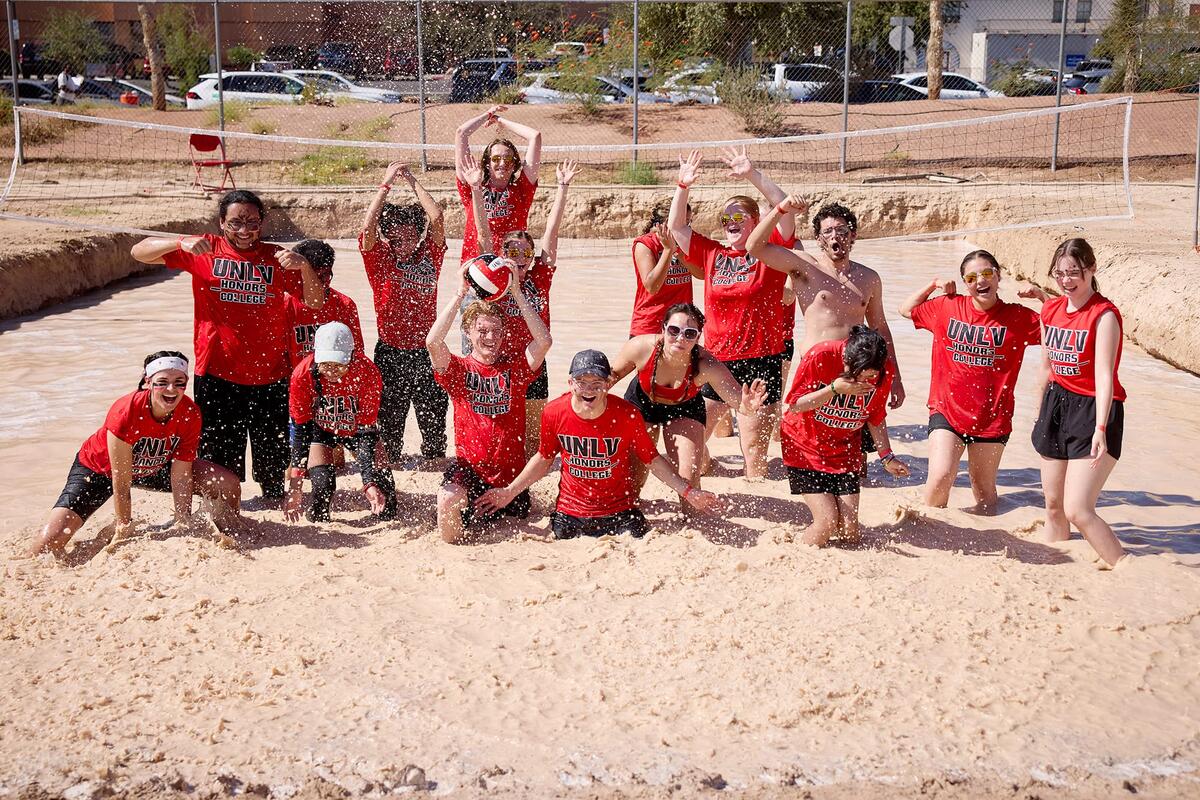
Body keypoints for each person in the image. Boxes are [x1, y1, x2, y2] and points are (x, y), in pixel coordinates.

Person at [131, 190, 325, 501]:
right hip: (218, 375)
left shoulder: (276, 257)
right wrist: (179, 242)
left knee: (272, 462)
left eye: (252, 222)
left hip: (271, 376)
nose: (244, 230)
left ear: (261, 223)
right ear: (222, 223)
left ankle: (273, 504)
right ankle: (226, 510)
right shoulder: (204, 249)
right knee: (220, 461)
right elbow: (139, 251)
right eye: (235, 223)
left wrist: (303, 266)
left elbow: (315, 302)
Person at [476, 350, 723, 539]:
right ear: (570, 383)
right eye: (582, 382)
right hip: (570, 515)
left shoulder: (627, 415)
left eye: (597, 383)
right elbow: (543, 459)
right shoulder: (553, 412)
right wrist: (509, 492)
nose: (589, 390)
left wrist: (688, 492)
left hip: (621, 514)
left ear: (608, 384)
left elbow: (653, 461)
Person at [28, 352, 243, 558]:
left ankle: (231, 529)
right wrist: (124, 527)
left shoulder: (190, 413)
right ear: (147, 382)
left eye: (179, 382)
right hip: (100, 471)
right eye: (162, 382)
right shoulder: (126, 411)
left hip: (154, 468)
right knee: (47, 545)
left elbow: (181, 475)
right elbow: (121, 482)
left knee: (227, 483)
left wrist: (183, 521)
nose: (171, 389)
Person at [667, 147, 797, 480]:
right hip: (716, 363)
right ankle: (707, 478)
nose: (732, 224)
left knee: (754, 452)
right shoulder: (711, 252)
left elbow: (785, 211)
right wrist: (683, 186)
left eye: (740, 217)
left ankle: (762, 507)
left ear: (756, 221)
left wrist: (751, 173)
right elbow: (677, 228)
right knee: (689, 438)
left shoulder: (770, 253)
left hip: (761, 359)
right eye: (726, 219)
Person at [900, 250, 1042, 513]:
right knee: (941, 477)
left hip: (992, 417)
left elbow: (1064, 330)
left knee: (985, 493)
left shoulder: (1019, 317)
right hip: (947, 411)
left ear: (999, 277)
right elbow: (906, 309)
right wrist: (933, 285)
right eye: (971, 277)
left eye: (987, 273)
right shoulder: (947, 306)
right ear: (964, 283)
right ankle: (932, 532)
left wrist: (1043, 297)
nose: (980, 281)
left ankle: (984, 539)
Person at [460, 151, 579, 456]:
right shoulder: (496, 284)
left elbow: (551, 236)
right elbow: (484, 242)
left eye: (526, 253)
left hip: (533, 364)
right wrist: (475, 189)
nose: (520, 259)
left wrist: (562, 189)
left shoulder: (540, 278)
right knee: (495, 438)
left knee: (533, 445)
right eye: (512, 253)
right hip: (500, 369)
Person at [426, 263, 553, 544]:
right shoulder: (458, 371)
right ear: (468, 333)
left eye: (496, 331)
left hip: (510, 479)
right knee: (447, 500)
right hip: (469, 471)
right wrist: (460, 293)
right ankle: (455, 560)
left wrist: (518, 293)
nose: (490, 338)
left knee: (514, 518)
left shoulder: (515, 370)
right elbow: (433, 342)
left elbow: (543, 341)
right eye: (482, 331)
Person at [608, 303, 768, 505]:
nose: (680, 338)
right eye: (674, 330)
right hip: (642, 404)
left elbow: (738, 402)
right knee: (631, 484)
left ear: (698, 337)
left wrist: (748, 406)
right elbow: (608, 380)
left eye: (689, 333)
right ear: (664, 328)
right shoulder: (641, 347)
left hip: (684, 408)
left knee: (688, 479)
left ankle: (691, 518)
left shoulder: (705, 364)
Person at [1032, 238, 1127, 567]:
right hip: (1056, 404)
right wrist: (1038, 413)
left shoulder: (1105, 315)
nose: (1066, 280)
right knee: (1054, 504)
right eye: (1059, 273)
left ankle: (1127, 567)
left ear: (1092, 269)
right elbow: (1046, 367)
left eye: (1074, 272)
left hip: (1095, 407)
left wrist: (1100, 427)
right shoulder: (1050, 310)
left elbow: (1105, 375)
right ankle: (1057, 568)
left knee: (1078, 509)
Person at [782, 326, 909, 547]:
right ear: (846, 357)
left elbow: (875, 416)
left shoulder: (884, 372)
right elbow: (795, 405)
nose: (862, 380)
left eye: (869, 376)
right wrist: (833, 389)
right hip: (805, 446)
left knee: (850, 532)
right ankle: (795, 554)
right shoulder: (821, 355)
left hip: (845, 448)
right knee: (827, 523)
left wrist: (887, 456)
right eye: (855, 373)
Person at [359, 161, 449, 464]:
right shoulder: (380, 259)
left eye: (410, 237)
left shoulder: (430, 255)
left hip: (427, 352)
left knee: (435, 425)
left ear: (418, 235)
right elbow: (367, 229)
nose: (404, 245)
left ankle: (434, 466)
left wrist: (411, 180)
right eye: (396, 239)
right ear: (388, 239)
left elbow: (436, 217)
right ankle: (392, 469)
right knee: (389, 429)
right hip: (390, 353)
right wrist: (385, 185)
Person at [285, 323, 397, 523]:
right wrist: (296, 486)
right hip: (322, 430)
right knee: (322, 490)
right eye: (326, 364)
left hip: (358, 431)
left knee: (386, 500)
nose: (331, 372)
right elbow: (301, 432)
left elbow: (367, 434)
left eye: (339, 365)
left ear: (352, 356)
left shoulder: (368, 372)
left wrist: (368, 482)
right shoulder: (302, 375)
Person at [454, 104, 543, 263]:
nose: (502, 163)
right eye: (496, 158)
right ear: (487, 163)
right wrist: (488, 114)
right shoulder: (473, 187)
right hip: (476, 268)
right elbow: (461, 133)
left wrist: (500, 121)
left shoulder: (522, 189)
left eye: (508, 158)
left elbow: (535, 136)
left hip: (511, 268)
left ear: (515, 164)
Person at [284, 239, 365, 368]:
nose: (317, 284)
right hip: (298, 381)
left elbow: (357, 354)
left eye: (324, 276)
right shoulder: (286, 306)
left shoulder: (345, 305)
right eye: (311, 277)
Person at [629, 201, 702, 337]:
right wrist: (668, 250)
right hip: (650, 325)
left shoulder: (686, 243)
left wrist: (679, 251)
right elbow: (652, 286)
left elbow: (701, 274)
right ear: (661, 224)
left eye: (687, 222)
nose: (684, 228)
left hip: (681, 324)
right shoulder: (645, 244)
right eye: (679, 223)